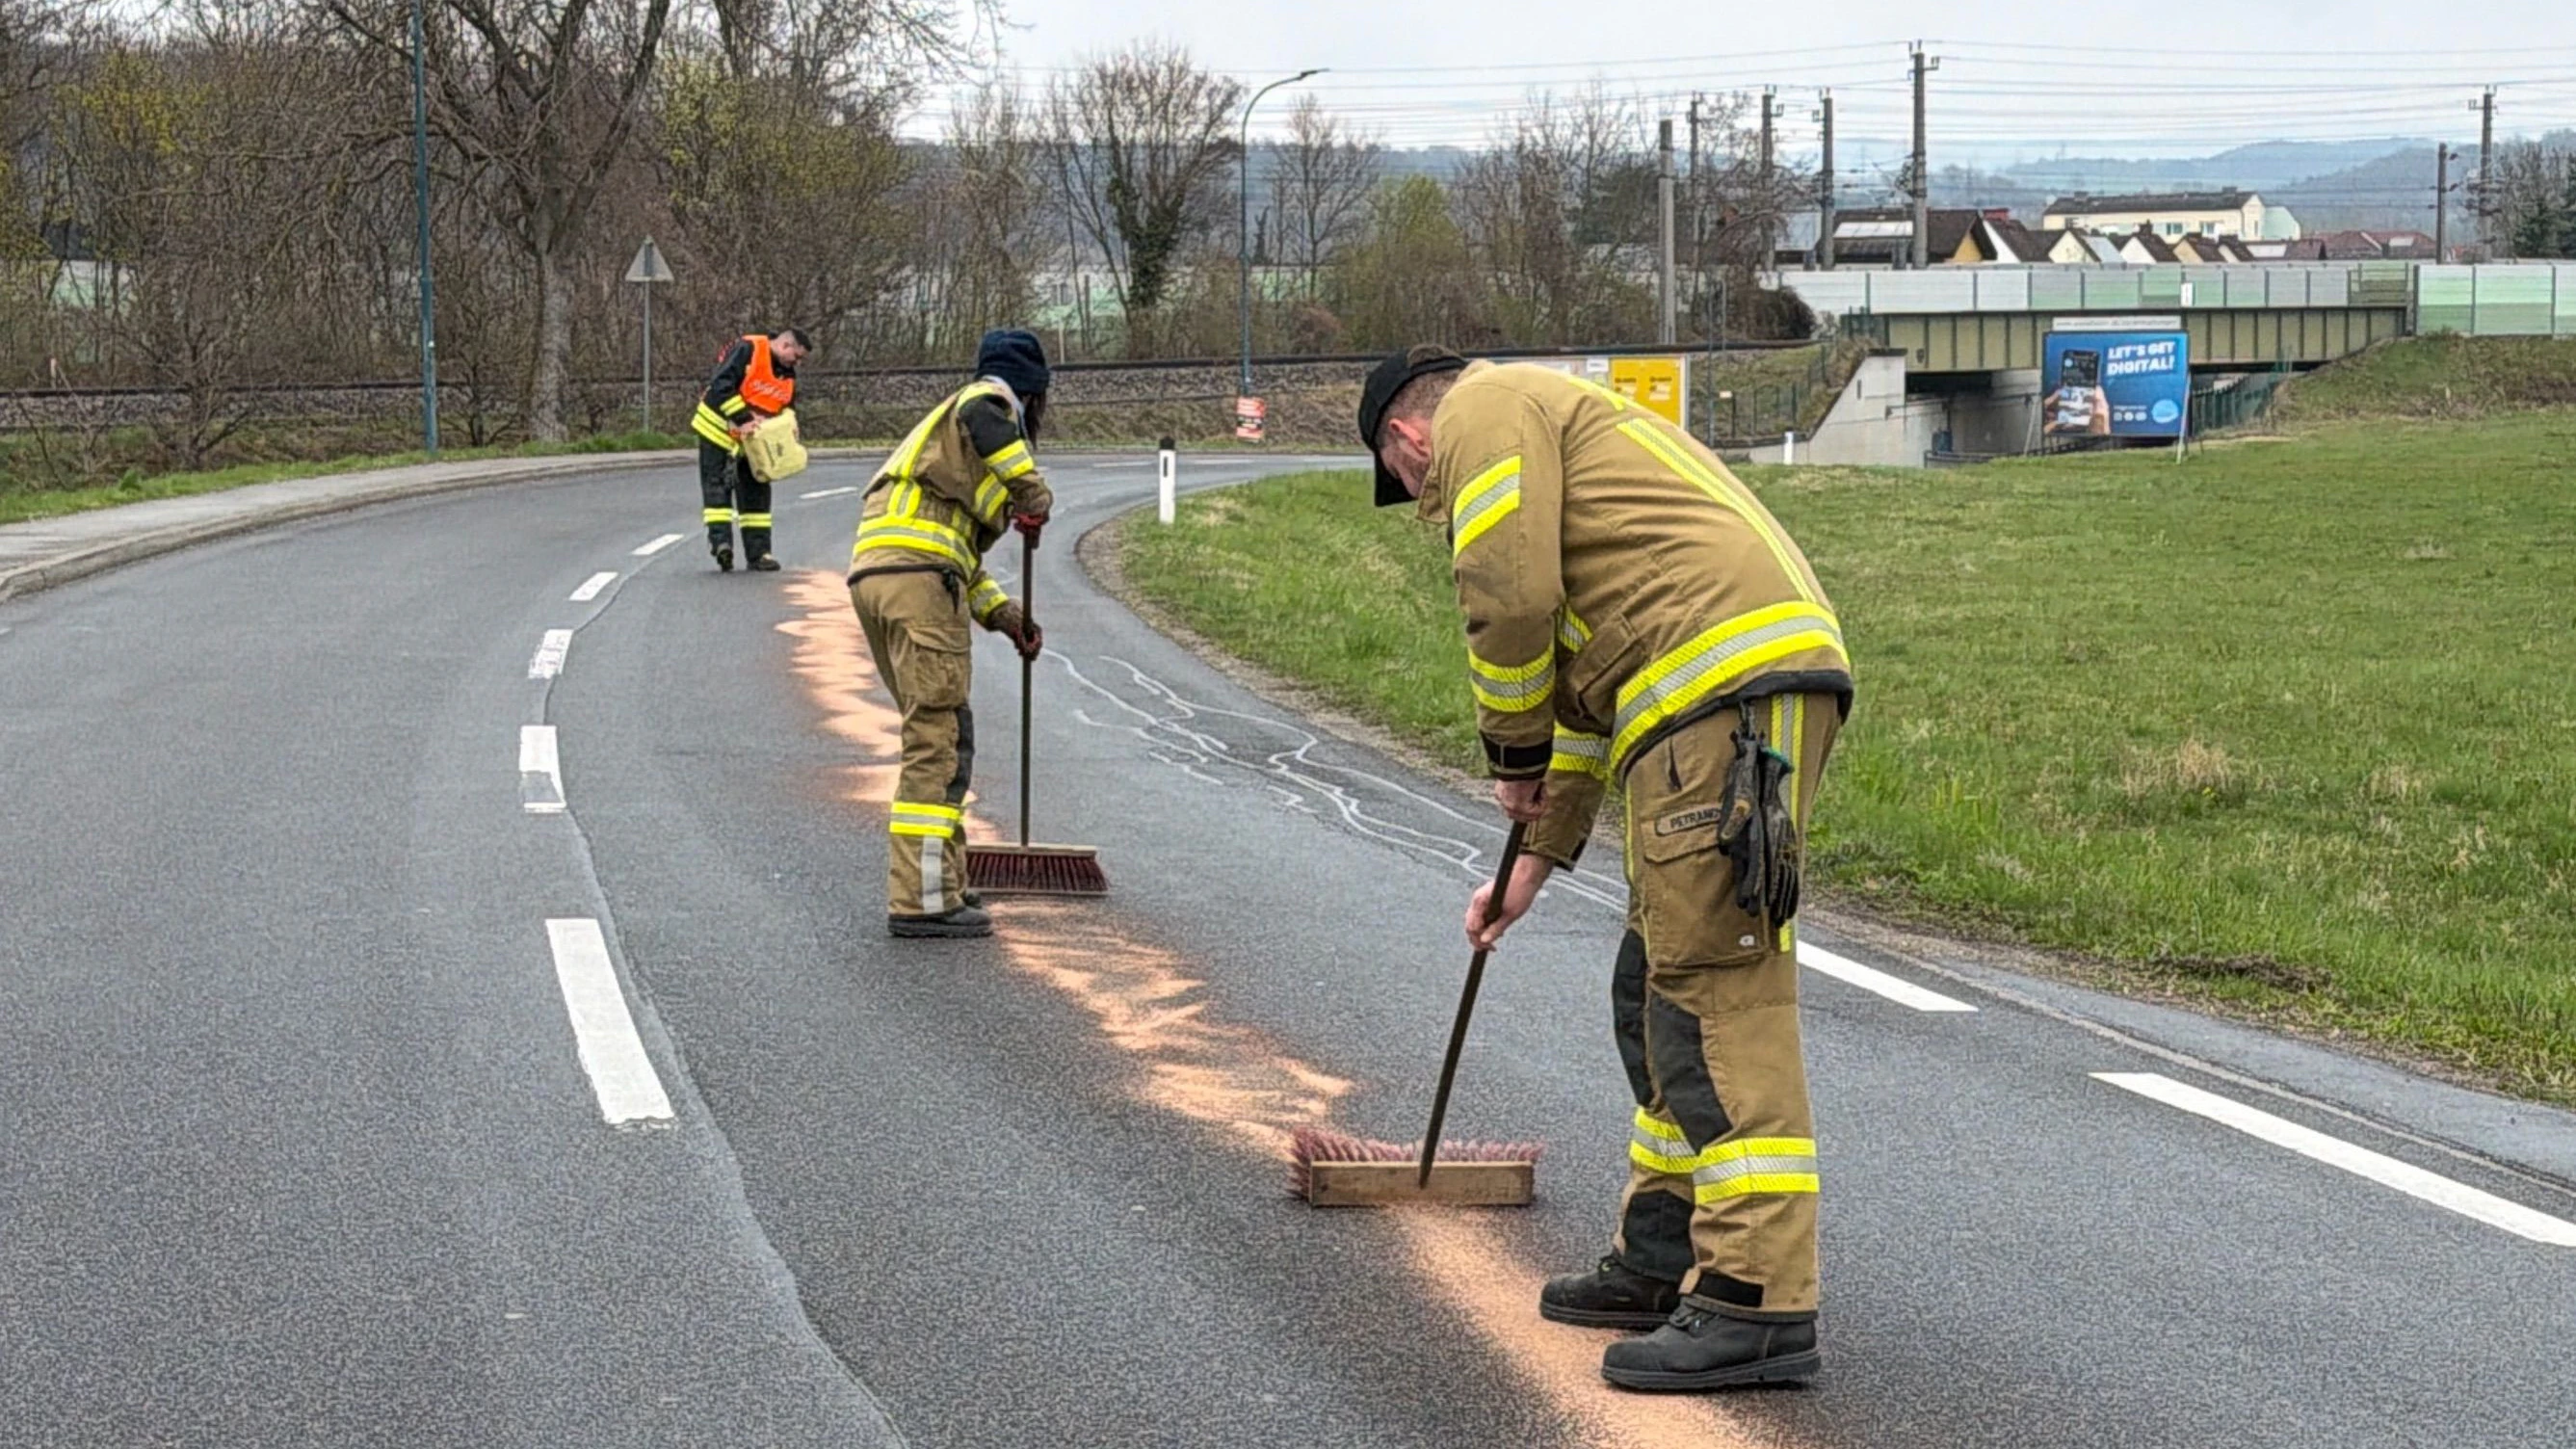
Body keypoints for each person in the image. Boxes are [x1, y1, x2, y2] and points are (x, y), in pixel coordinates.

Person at [1357, 345, 1855, 1392]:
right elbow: (1583, 704)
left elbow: (1507, 597)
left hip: (1716, 700)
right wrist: (1532, 863)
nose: (1422, 503)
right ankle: (1662, 1255)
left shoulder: (1481, 409)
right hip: (1702, 696)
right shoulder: (1554, 437)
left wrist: (1509, 753)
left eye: (1407, 486)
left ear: (1406, 438)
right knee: (1655, 983)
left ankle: (1756, 1297)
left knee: (1713, 992)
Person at [847, 329, 1053, 939]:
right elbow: (985, 411)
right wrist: (1031, 491)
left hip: (884, 580)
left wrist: (1003, 616)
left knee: (938, 730)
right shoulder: (988, 403)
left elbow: (955, 558)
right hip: (918, 583)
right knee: (937, 739)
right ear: (1031, 391)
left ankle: (945, 880)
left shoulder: (944, 446)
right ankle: (922, 899)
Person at [692, 328, 812, 571]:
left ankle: (759, 555)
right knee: (717, 488)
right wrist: (743, 418)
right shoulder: (748, 349)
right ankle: (722, 544)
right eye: (796, 356)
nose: (797, 363)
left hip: (754, 441)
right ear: (785, 345)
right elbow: (722, 384)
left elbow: (786, 406)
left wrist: (788, 427)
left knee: (756, 494)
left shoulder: (787, 374)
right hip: (718, 431)